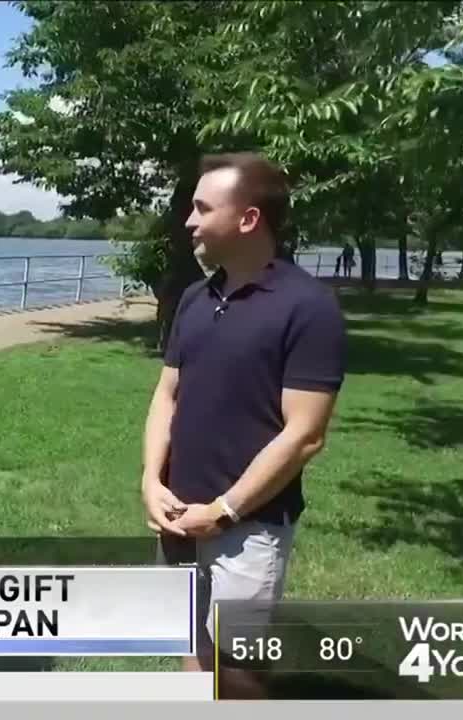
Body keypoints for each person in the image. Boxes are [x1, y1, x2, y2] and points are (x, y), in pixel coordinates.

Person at [140, 152, 346, 697]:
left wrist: (226, 510)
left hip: (248, 528)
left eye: (202, 209)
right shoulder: (194, 298)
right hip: (178, 514)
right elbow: (167, 394)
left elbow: (305, 435)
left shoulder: (308, 307)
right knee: (190, 643)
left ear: (248, 219)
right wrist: (151, 482)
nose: (189, 221)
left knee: (238, 670)